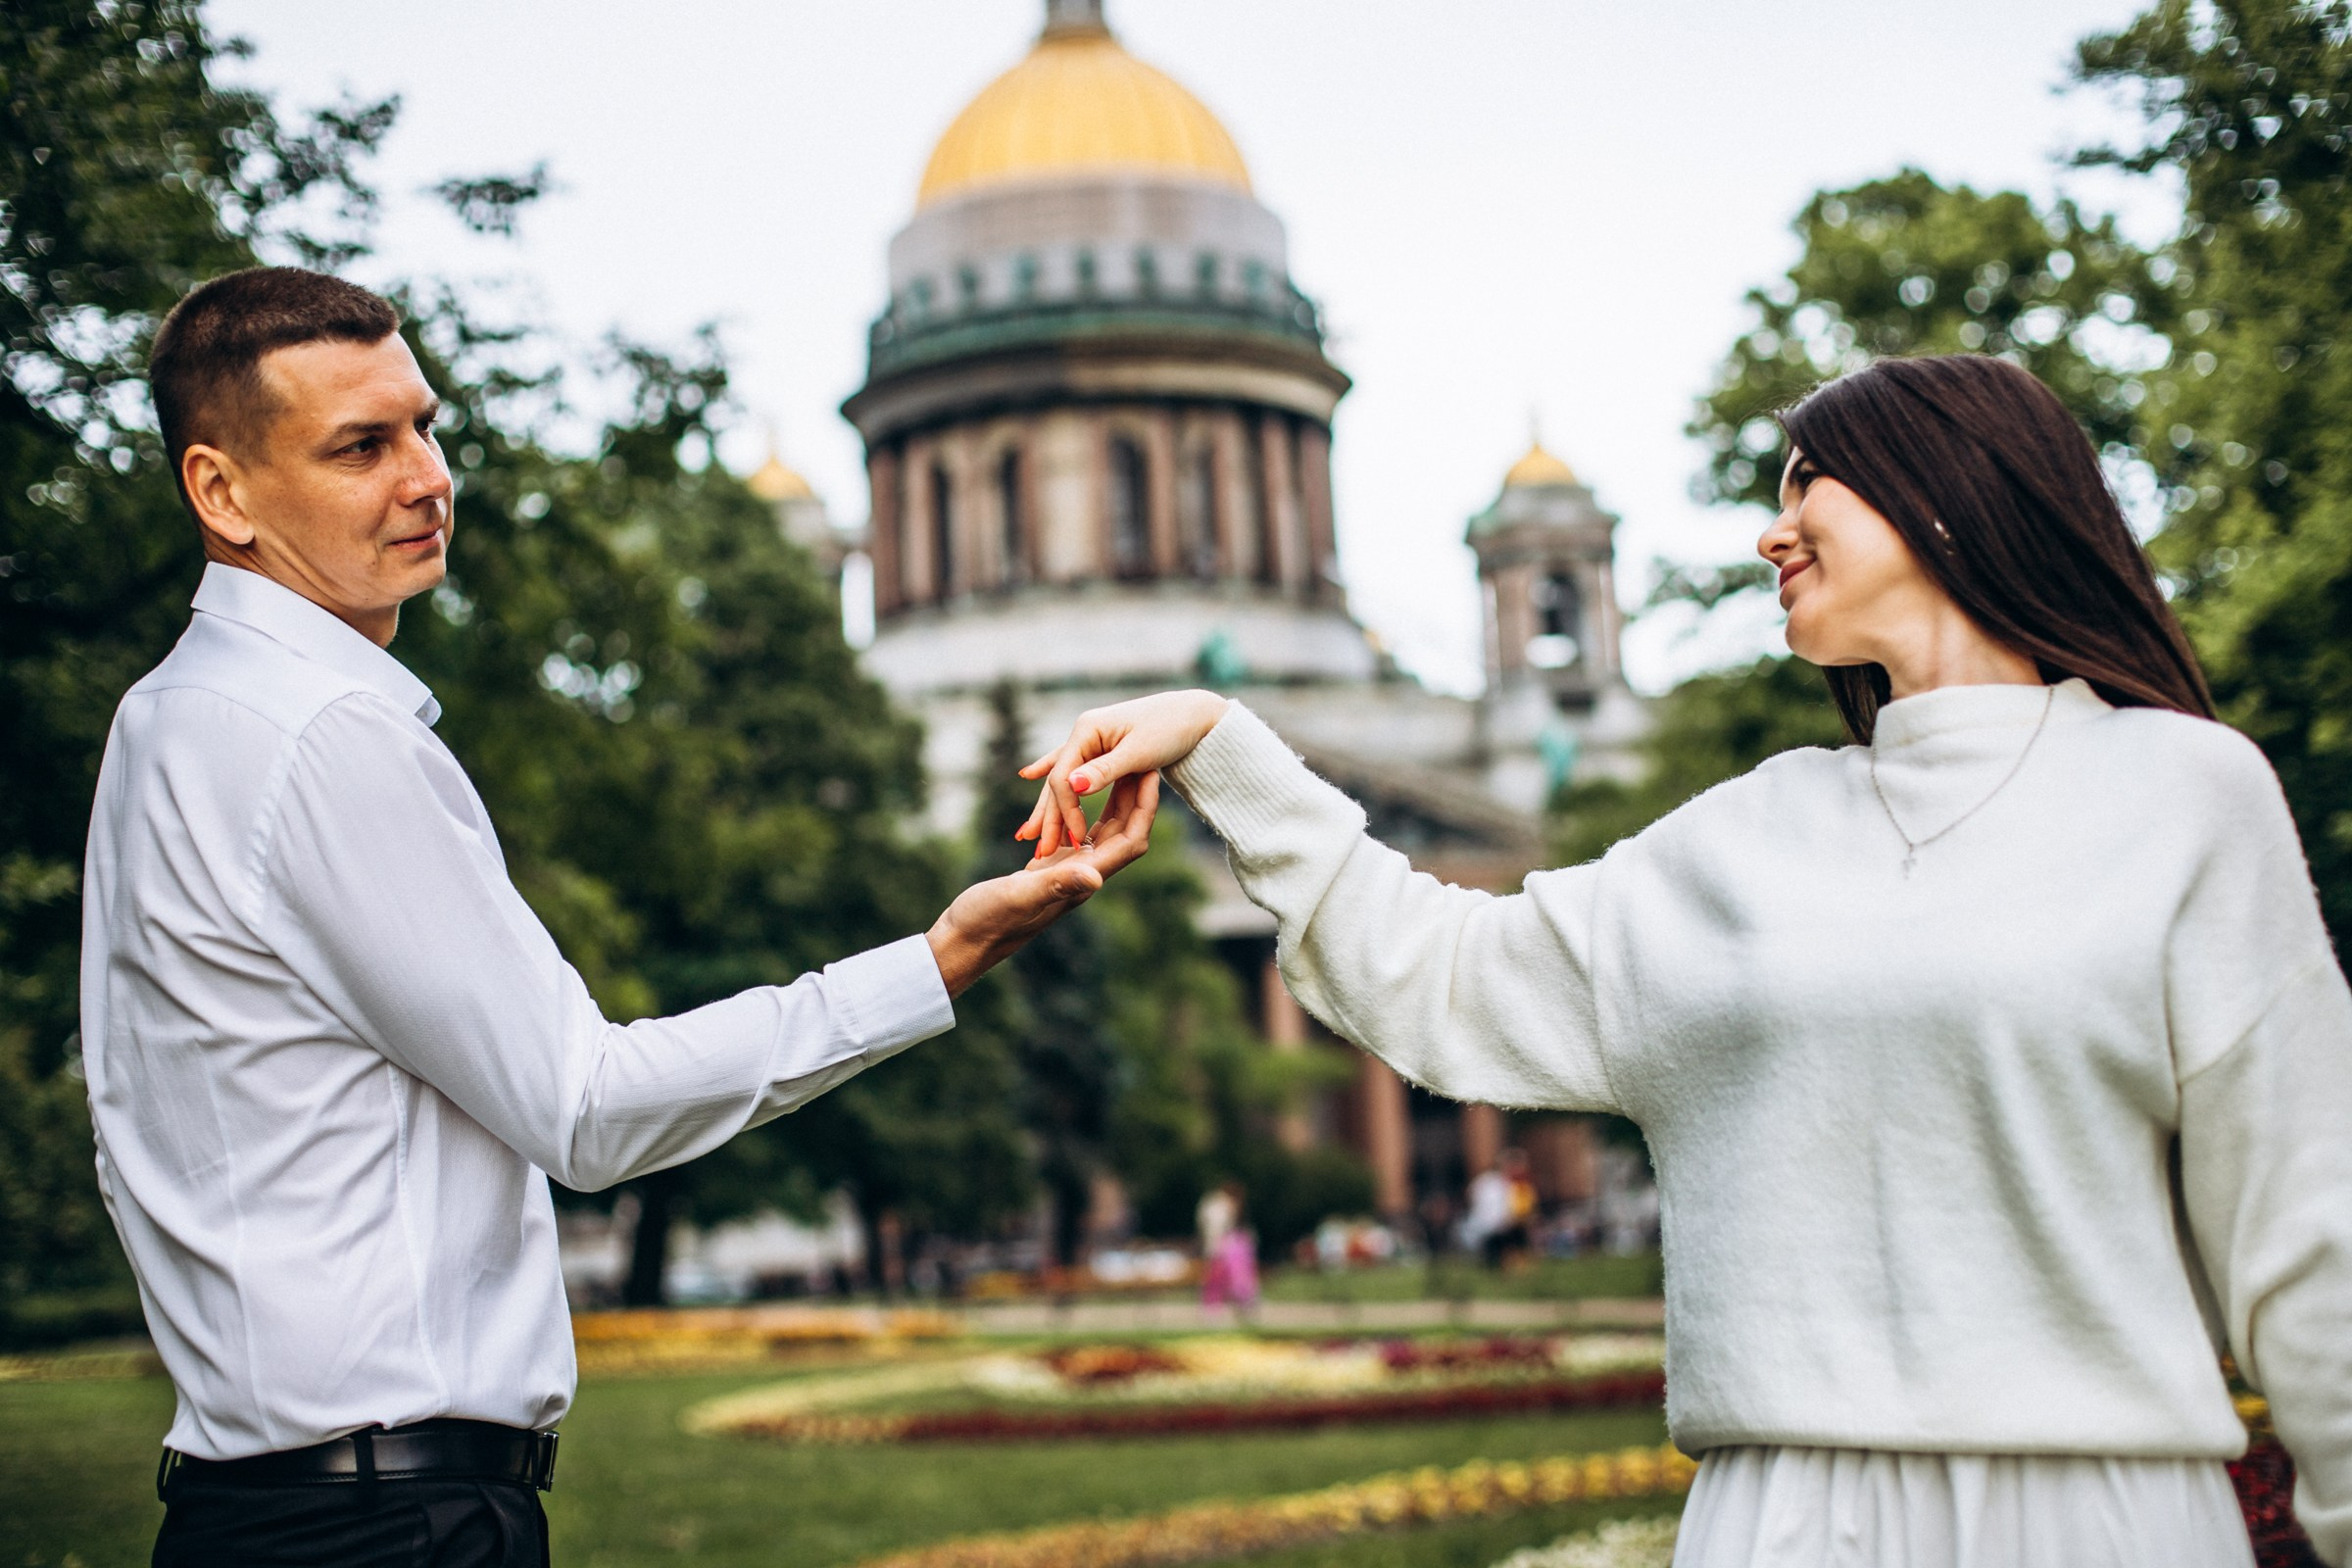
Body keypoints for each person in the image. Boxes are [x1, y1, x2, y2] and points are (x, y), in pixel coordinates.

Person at [1017, 354, 2352, 1567]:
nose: (1769, 530)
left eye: (1809, 483)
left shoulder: (2184, 796)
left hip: (2102, 1520)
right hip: (1783, 1522)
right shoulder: (1755, 834)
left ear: (1951, 491)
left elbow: (2310, 1236)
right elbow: (1442, 977)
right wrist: (1222, 748)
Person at [84, 267, 1159, 1567]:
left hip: (261, 1504)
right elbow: (583, 1108)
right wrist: (944, 957)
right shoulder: (321, 737)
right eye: (361, 447)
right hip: (387, 1520)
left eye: (425, 426)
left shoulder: (170, 719)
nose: (427, 478)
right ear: (222, 492)